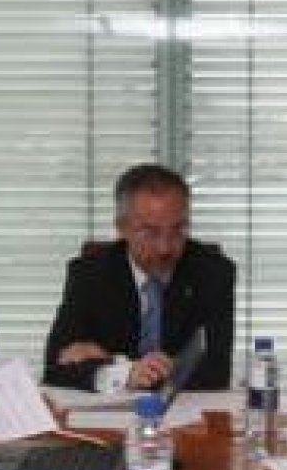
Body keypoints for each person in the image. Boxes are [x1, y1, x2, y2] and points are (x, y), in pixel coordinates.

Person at [44, 163, 235, 392]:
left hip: (183, 418)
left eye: (177, 230)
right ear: (121, 228)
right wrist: (128, 372)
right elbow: (55, 368)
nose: (165, 248)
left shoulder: (212, 273)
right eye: (150, 232)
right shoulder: (90, 274)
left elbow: (215, 373)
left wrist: (115, 364)